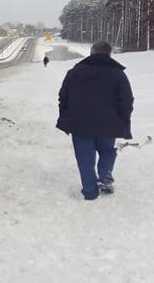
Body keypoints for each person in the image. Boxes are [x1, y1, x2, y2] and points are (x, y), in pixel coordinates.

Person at [56, 41, 134, 200]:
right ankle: (105, 177)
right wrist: (123, 119)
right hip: (108, 123)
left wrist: (65, 116)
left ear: (92, 52)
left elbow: (63, 97)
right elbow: (126, 100)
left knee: (85, 158)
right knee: (107, 151)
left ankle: (90, 192)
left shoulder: (75, 72)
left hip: (79, 124)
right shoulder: (118, 74)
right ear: (109, 54)